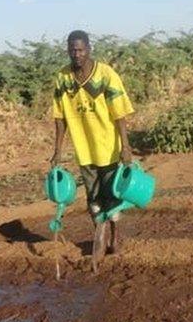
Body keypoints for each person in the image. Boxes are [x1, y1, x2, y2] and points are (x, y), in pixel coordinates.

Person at [49, 30, 135, 267]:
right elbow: (59, 117)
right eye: (72, 50)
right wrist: (58, 149)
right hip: (84, 149)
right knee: (93, 197)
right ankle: (100, 233)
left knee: (112, 194)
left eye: (80, 49)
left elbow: (119, 114)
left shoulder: (106, 75)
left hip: (107, 147)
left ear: (89, 49)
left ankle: (114, 238)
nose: (76, 54)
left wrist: (125, 146)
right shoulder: (62, 78)